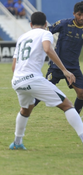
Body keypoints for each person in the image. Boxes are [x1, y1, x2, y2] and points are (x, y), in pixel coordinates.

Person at [9, 11, 83, 150]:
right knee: (67, 105)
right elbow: (47, 49)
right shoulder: (45, 33)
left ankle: (17, 143)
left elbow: (14, 66)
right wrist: (65, 70)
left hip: (17, 81)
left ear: (30, 24)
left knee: (26, 110)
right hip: (33, 79)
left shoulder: (22, 37)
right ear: (45, 24)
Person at [34, 1, 83, 114]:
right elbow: (47, 31)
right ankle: (26, 110)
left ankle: (75, 116)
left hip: (73, 67)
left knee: (81, 93)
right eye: (79, 14)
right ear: (74, 14)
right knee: (43, 91)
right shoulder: (64, 23)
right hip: (57, 66)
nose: (82, 17)